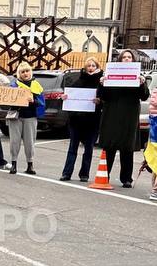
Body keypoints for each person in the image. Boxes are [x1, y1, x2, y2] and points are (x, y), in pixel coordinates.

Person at [97, 48, 149, 188]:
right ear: (120, 60)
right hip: (112, 115)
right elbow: (102, 96)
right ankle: (104, 175)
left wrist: (142, 84)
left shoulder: (138, 76)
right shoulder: (111, 74)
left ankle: (126, 178)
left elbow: (144, 96)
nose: (126, 59)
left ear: (133, 60)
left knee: (127, 148)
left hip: (129, 116)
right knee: (110, 147)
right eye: (124, 57)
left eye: (129, 57)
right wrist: (102, 84)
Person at [59, 59, 102, 182]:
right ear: (85, 67)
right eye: (88, 65)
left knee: (88, 149)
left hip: (92, 121)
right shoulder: (78, 80)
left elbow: (105, 99)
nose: (91, 68)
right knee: (73, 148)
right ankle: (66, 173)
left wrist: (99, 101)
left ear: (97, 67)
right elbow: (70, 96)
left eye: (93, 65)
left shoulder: (101, 83)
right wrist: (64, 97)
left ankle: (84, 174)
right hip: (76, 120)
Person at [8, 62, 43, 174]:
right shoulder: (14, 85)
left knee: (30, 142)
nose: (25, 73)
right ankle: (14, 163)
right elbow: (7, 100)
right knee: (14, 141)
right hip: (16, 116)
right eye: (22, 72)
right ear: (19, 73)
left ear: (30, 72)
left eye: (27, 71)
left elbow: (41, 103)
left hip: (30, 116)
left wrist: (33, 101)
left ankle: (30, 165)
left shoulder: (36, 85)